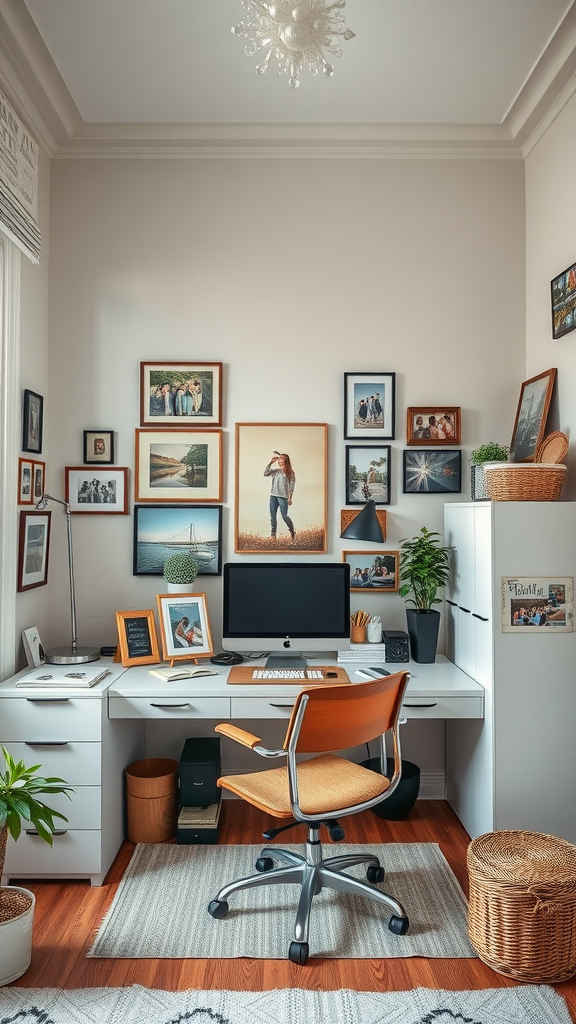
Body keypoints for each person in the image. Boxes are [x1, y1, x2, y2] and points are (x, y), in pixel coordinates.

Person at [264, 451, 296, 542]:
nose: (279, 459)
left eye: (281, 458)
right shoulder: (275, 471)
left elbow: (292, 485)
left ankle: (292, 532)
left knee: (285, 516)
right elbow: (265, 473)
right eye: (279, 458)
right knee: (273, 517)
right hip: (273, 495)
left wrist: (290, 498)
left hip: (283, 496)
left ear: (286, 460)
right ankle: (273, 535)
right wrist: (271, 462)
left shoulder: (290, 473)